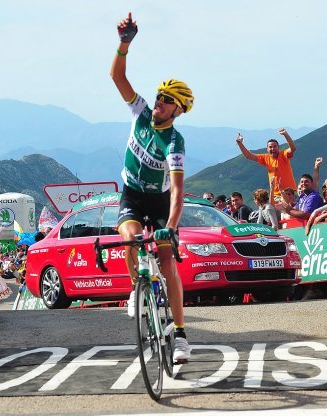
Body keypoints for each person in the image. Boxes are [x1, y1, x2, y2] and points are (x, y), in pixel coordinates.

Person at [111, 12, 192, 362]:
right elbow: (117, 76)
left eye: (165, 100)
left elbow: (176, 190)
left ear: (178, 109)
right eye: (159, 96)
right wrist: (125, 43)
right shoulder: (141, 112)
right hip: (131, 192)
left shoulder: (174, 141)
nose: (158, 102)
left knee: (167, 262)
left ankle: (181, 333)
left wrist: (171, 229)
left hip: (159, 202)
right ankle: (135, 289)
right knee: (129, 238)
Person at [236, 128, 297, 203]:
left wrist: (285, 135)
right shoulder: (265, 158)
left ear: (278, 147)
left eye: (275, 146)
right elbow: (249, 156)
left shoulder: (283, 155)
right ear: (267, 149)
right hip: (276, 195)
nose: (273, 148)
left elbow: (293, 148)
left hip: (290, 193)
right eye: (270, 147)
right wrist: (240, 143)